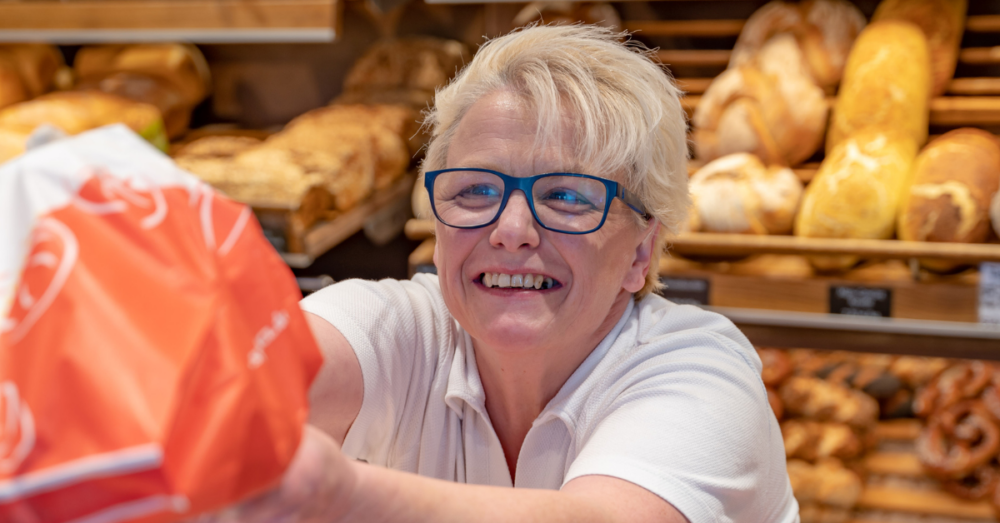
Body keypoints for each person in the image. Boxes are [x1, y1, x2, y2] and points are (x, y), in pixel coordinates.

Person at [219, 24, 797, 523]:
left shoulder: (700, 371)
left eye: (567, 196)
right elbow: (256, 380)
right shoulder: (406, 328)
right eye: (476, 189)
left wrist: (340, 493)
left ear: (641, 252)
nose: (511, 228)